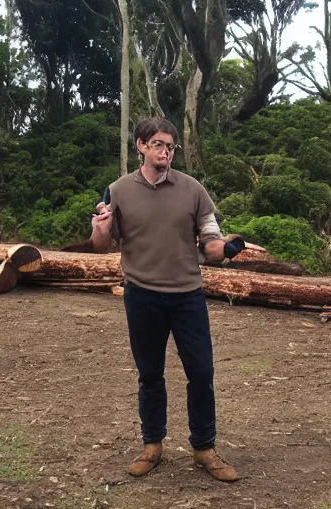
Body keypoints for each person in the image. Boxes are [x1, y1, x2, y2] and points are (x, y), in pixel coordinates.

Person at [89, 117, 246, 482]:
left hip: (187, 295)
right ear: (142, 146)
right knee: (150, 375)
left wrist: (227, 248)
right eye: (158, 145)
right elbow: (101, 247)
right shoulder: (118, 190)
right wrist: (99, 230)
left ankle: (204, 448)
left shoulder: (193, 190)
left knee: (201, 373)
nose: (165, 152)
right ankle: (153, 445)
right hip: (141, 295)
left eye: (171, 147)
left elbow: (209, 243)